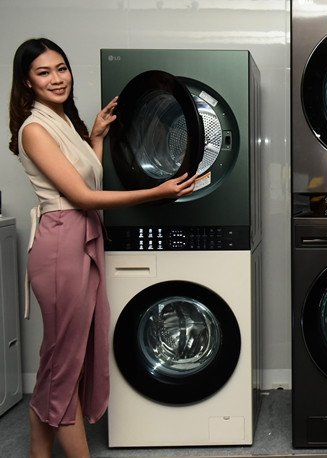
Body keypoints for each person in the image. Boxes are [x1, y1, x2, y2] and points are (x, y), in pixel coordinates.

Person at [8, 37, 196, 457]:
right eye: (43, 72)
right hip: (61, 245)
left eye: (61, 68)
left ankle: (38, 454)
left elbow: (86, 177)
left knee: (61, 364)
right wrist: (158, 192)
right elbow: (82, 196)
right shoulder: (35, 128)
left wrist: (94, 138)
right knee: (64, 367)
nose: (57, 79)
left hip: (79, 239)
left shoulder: (62, 122)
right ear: (27, 82)